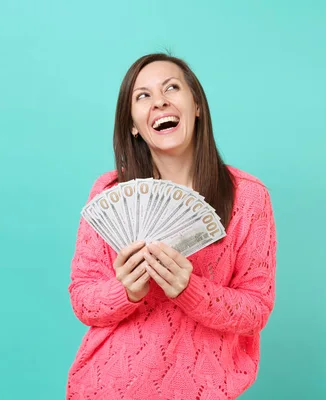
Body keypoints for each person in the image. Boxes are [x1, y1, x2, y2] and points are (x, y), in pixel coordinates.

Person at [67, 53, 277, 399]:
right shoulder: (109, 193)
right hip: (106, 386)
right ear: (133, 124)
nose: (159, 100)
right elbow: (83, 300)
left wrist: (189, 289)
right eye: (143, 95)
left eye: (171, 87)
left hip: (202, 389)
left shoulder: (248, 198)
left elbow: (255, 310)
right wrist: (127, 291)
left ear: (196, 106)